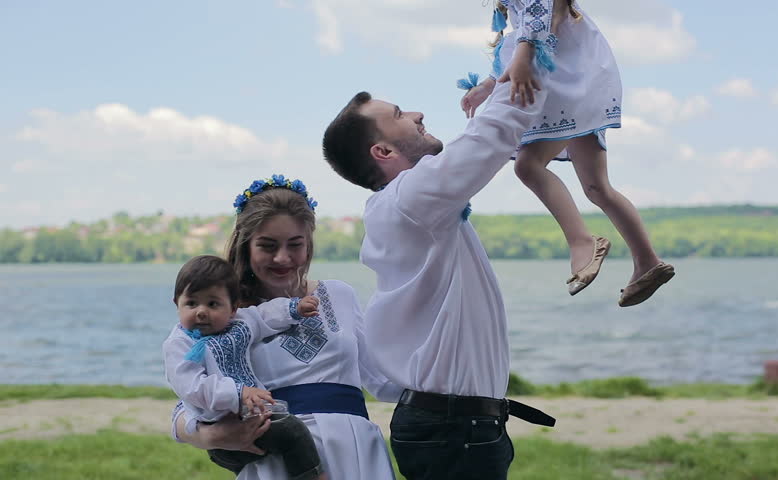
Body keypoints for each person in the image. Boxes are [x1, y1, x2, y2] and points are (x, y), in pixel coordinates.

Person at [321, 63, 558, 478]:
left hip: (457, 426)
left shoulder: (412, 208)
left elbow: (479, 148)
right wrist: (528, 57)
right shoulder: (409, 201)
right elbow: (490, 137)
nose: (416, 114)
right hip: (454, 429)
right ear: (383, 152)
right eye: (398, 115)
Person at [169, 175, 402, 480]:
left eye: (295, 245)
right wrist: (209, 437)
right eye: (267, 246)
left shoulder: (339, 295)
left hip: (354, 449)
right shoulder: (225, 315)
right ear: (246, 245)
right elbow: (186, 400)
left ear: (309, 244)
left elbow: (382, 380)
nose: (282, 258)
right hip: (279, 458)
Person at [459, 0, 674, 305]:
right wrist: (488, 85)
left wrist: (524, 54)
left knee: (528, 166)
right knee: (598, 187)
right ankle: (648, 260)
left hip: (566, 82)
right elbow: (520, 37)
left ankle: (582, 241)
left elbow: (540, 15)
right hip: (580, 80)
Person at [163, 254, 326, 480]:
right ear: (177, 304)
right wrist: (238, 393)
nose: (201, 311)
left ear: (233, 308)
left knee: (269, 459)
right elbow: (192, 387)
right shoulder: (180, 344)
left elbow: (264, 316)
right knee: (292, 431)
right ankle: (312, 476)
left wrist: (293, 308)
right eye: (191, 303)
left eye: (212, 304)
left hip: (249, 419)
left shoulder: (239, 324)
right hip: (219, 428)